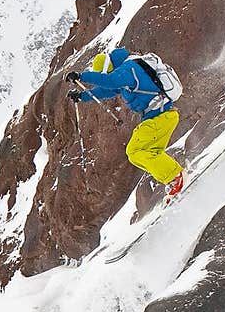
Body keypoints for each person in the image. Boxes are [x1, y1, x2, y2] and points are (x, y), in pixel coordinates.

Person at [67, 49, 184, 199]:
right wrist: (82, 96)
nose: (108, 75)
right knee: (143, 154)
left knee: (134, 151)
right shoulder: (127, 73)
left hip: (160, 118)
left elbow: (110, 82)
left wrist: (81, 76)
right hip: (162, 118)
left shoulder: (129, 68)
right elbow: (107, 90)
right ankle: (173, 179)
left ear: (109, 67)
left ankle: (175, 176)